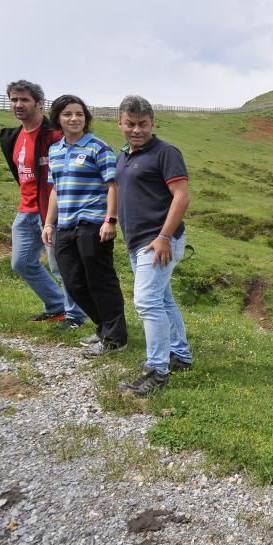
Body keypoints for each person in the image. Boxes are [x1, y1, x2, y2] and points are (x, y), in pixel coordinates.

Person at [115, 95, 193, 396]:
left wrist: (163, 237)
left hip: (158, 240)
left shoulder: (166, 153)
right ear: (120, 123)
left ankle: (157, 371)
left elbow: (181, 196)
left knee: (147, 302)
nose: (137, 129)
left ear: (152, 124)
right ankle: (181, 355)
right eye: (131, 124)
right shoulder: (124, 156)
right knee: (162, 299)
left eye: (143, 124)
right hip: (137, 242)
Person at [41, 95, 128, 356]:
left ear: (85, 117)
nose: (74, 118)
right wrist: (48, 223)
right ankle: (104, 328)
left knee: (100, 281)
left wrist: (110, 220)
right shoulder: (54, 151)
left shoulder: (98, 147)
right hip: (65, 225)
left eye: (79, 114)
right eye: (68, 114)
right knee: (73, 281)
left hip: (93, 223)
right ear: (58, 118)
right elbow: (56, 188)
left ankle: (115, 339)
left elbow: (113, 185)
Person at [0, 80, 87, 330]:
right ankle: (57, 305)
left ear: (39, 103)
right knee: (21, 262)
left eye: (24, 99)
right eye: (14, 100)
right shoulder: (13, 136)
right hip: (26, 209)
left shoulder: (54, 136)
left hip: (53, 211)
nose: (18, 104)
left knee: (61, 267)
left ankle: (75, 317)